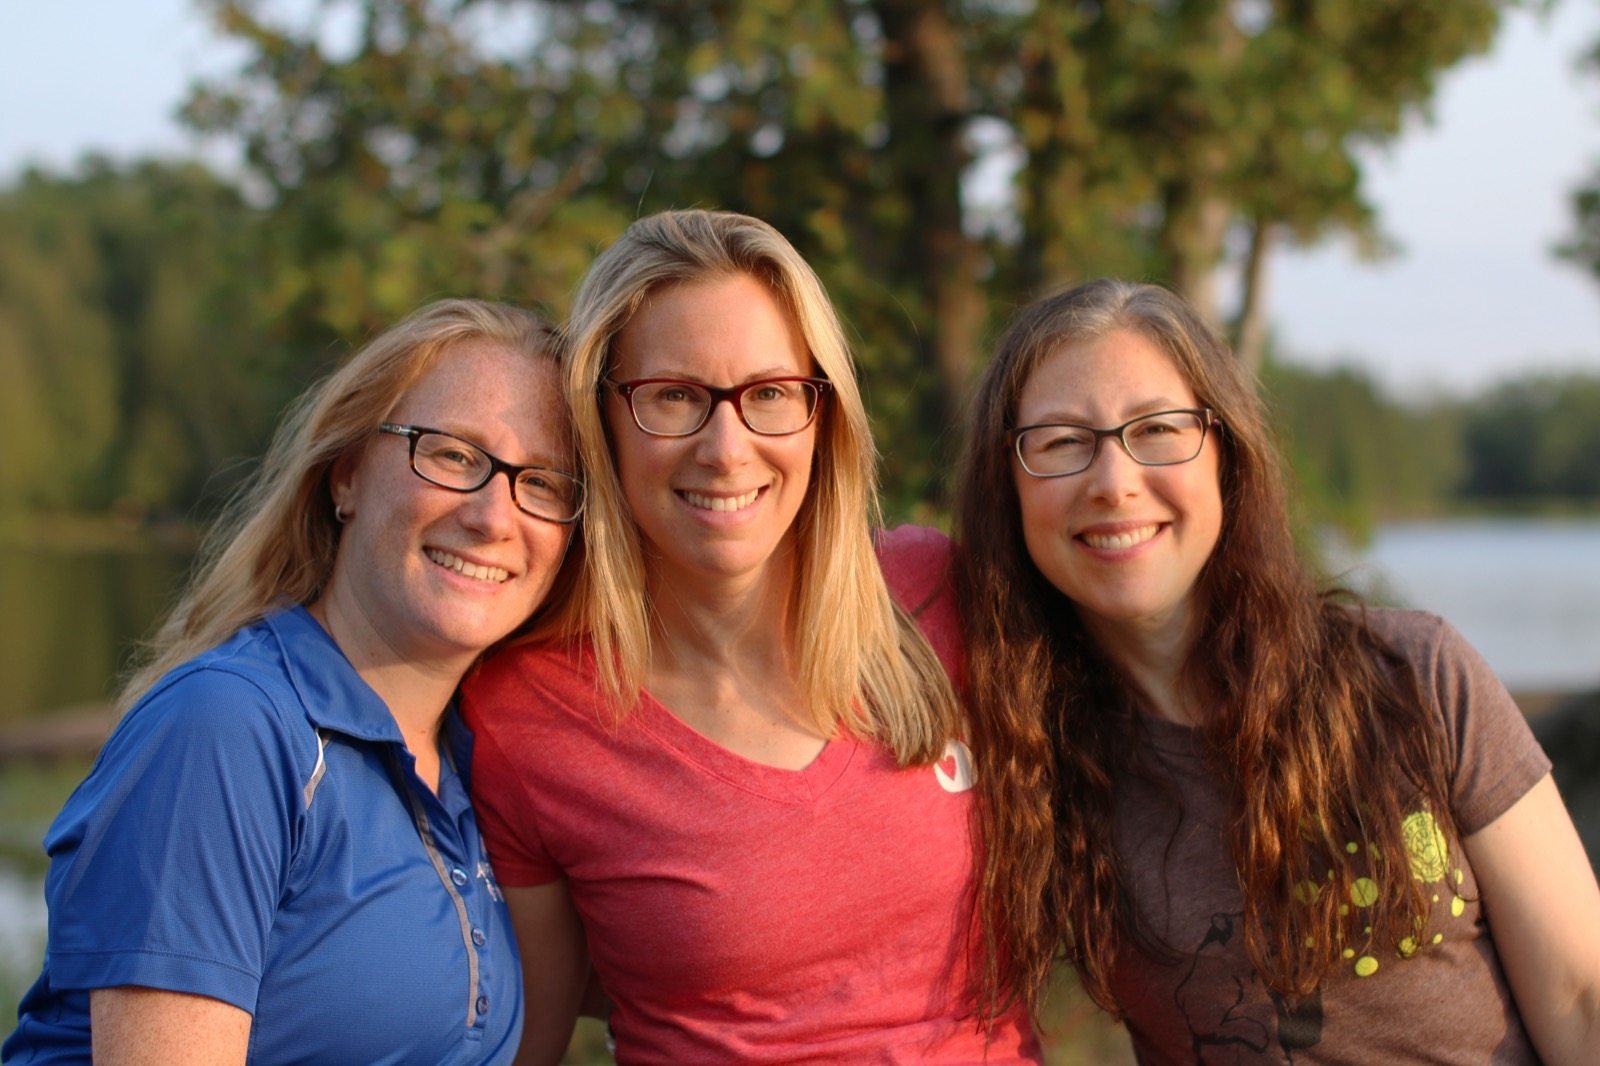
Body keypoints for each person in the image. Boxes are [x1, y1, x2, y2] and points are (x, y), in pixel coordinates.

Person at [954, 278, 1600, 1063]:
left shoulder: (1415, 678)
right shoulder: (1022, 761)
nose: (1114, 481)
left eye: (1158, 429)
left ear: (1227, 454)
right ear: (1008, 484)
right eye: (1059, 442)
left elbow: (1580, 993)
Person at [461, 209, 1041, 1063]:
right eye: (675, 398)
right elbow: (528, 1036)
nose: (726, 449)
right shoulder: (523, 718)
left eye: (769, 394)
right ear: (603, 419)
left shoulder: (935, 594)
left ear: (822, 413)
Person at [3, 299, 585, 1065]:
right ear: (345, 476)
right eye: (450, 455)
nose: (492, 514)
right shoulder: (229, 729)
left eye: (542, 482)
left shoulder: (484, 763)